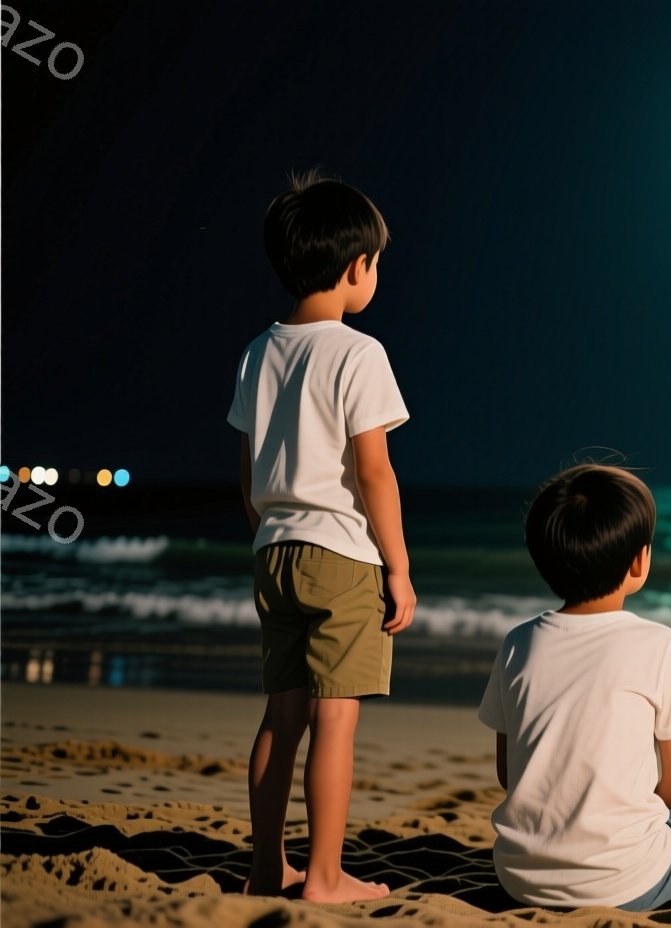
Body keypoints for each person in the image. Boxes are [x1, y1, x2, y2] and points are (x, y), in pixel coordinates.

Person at [229, 171, 414, 903]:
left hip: (272, 550)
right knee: (336, 721)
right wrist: (396, 567)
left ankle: (266, 866)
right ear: (355, 267)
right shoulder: (358, 353)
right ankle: (326, 876)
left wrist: (272, 532)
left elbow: (248, 474)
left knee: (282, 714)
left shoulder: (257, 353)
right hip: (341, 555)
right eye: (376, 263)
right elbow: (374, 474)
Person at [478, 464, 671, 909]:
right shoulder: (657, 644)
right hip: (627, 885)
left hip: (519, 879)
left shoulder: (518, 644)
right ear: (640, 560)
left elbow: (510, 774)